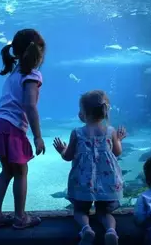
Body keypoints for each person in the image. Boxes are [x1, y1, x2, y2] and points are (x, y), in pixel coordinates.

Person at [0, 29, 46, 230]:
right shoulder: (32, 75)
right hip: (12, 127)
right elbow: (30, 106)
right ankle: (20, 218)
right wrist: (38, 137)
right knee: (21, 172)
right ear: (38, 52)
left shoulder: (15, 71)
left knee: (6, 171)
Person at [53, 90, 125, 245]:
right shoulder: (110, 131)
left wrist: (62, 150)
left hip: (84, 181)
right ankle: (111, 231)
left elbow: (68, 156)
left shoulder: (77, 133)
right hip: (107, 180)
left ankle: (86, 229)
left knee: (80, 210)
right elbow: (117, 152)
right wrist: (118, 140)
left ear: (83, 114)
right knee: (104, 212)